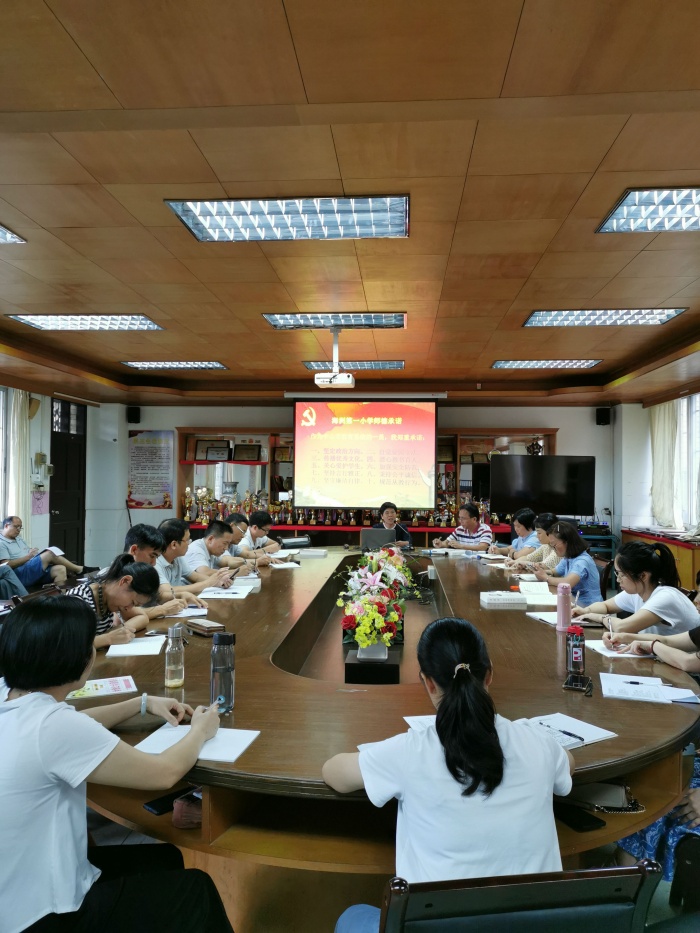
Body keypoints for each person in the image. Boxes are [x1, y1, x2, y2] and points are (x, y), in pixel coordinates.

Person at [323, 617, 574, 933]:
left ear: (428, 682)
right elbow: (568, 764)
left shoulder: (408, 751)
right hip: (535, 925)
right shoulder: (537, 743)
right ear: (489, 675)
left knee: (352, 917)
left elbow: (334, 773)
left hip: (437, 925)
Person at [0, 595, 233, 933]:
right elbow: (164, 772)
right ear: (78, 659)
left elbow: (75, 722)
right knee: (197, 891)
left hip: (14, 891)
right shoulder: (52, 726)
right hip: (42, 916)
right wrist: (201, 730)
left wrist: (140, 703)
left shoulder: (12, 699)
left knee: (164, 859)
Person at [573, 541, 699, 636]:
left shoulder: (665, 597)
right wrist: (585, 611)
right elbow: (606, 606)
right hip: (657, 656)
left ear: (643, 576)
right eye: (617, 573)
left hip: (680, 662)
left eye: (621, 574)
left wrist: (597, 616)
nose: (618, 580)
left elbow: (622, 627)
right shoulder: (638, 591)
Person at [65, 554, 160, 649]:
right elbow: (69, 645)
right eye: (133, 602)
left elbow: (142, 617)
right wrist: (108, 638)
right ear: (125, 581)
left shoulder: (108, 597)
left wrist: (118, 632)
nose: (129, 609)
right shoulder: (79, 599)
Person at [0, 515, 97, 587]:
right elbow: (6, 566)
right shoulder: (1, 543)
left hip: (30, 568)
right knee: (49, 554)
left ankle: (59, 601)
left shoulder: (18, 538)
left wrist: (32, 552)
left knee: (60, 569)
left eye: (20, 527)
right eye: (16, 527)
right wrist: (28, 557)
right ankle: (80, 569)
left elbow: (27, 551)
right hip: (19, 574)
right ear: (6, 526)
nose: (18, 530)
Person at [533, 520, 601, 606]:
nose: (554, 549)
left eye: (554, 545)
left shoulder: (581, 561)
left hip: (587, 607)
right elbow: (555, 572)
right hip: (573, 601)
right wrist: (540, 571)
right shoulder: (569, 557)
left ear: (567, 541)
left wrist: (545, 577)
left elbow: (567, 583)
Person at [182, 521, 237, 585]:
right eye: (224, 543)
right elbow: (203, 572)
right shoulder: (196, 550)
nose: (226, 548)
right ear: (211, 539)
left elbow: (225, 562)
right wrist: (233, 573)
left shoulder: (211, 550)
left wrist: (244, 563)